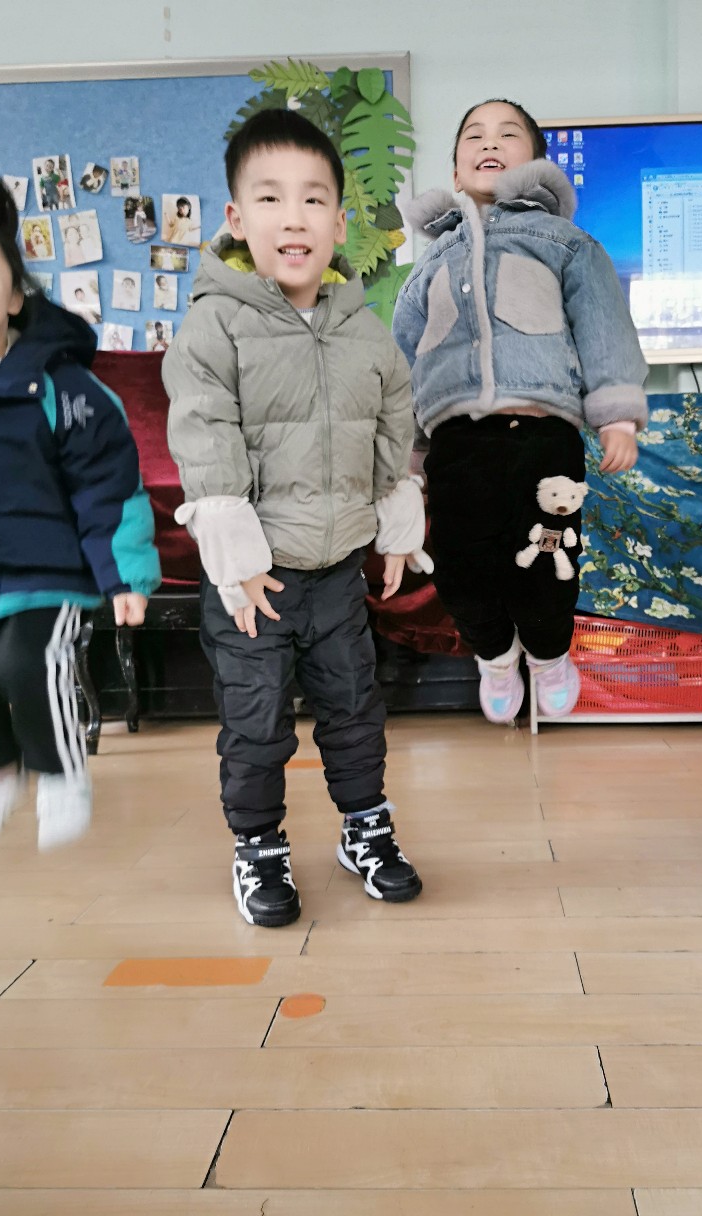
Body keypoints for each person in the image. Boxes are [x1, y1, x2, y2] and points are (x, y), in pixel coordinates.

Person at [163, 108, 427, 928]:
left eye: (314, 200)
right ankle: (258, 845)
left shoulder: (363, 330)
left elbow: (391, 423)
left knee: (355, 710)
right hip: (253, 581)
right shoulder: (215, 323)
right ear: (238, 219)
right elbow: (204, 431)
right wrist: (235, 552)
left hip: (338, 571)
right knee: (255, 721)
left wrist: (396, 524)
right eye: (271, 198)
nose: (294, 217)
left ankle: (365, 827)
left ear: (339, 223)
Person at [392, 99, 647, 724]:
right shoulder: (429, 264)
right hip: (456, 440)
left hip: (542, 434)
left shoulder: (563, 242)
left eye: (508, 134)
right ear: (456, 172)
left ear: (535, 162)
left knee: (545, 562)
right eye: (474, 136)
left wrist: (616, 414)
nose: (490, 142)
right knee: (461, 569)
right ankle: (496, 656)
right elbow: (403, 364)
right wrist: (405, 460)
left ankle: (550, 654)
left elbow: (604, 325)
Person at [0, 169, 160, 850]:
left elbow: (108, 484)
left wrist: (125, 576)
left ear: (14, 292)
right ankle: (0, 770)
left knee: (25, 662)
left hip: (50, 574)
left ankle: (61, 770)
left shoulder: (61, 387)